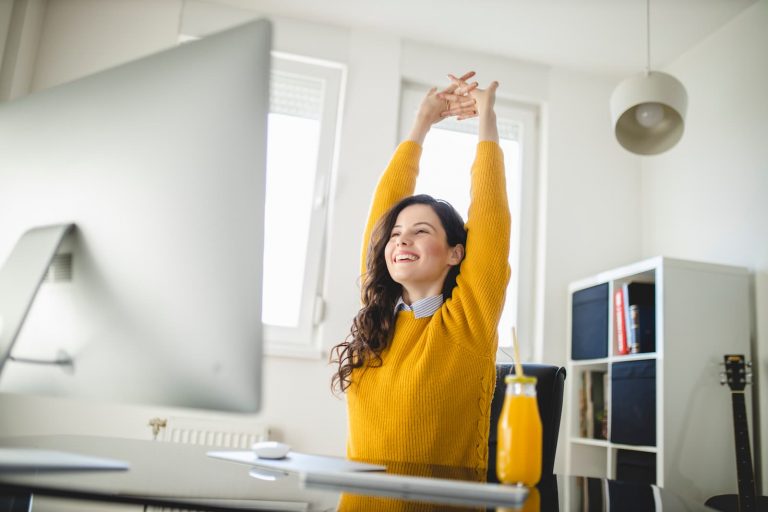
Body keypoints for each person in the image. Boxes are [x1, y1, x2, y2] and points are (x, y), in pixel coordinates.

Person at [331, 71, 511, 479]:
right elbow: (383, 213)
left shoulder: (468, 322)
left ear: (455, 253)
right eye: (396, 235)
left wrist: (486, 117)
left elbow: (491, 216)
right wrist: (421, 123)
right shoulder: (378, 318)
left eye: (420, 231)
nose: (401, 242)